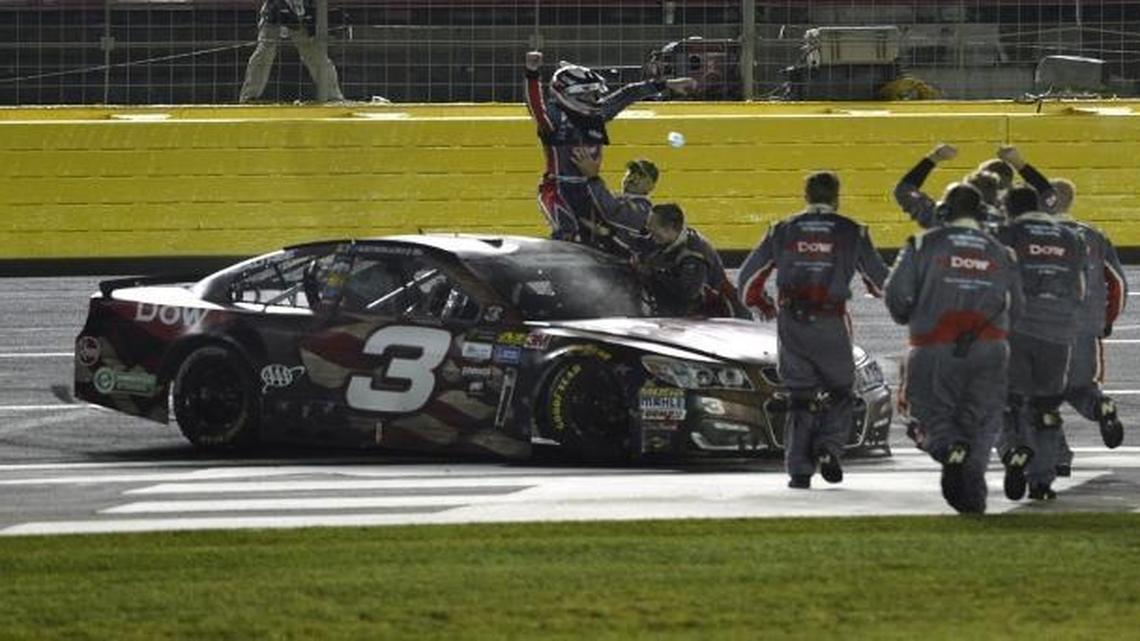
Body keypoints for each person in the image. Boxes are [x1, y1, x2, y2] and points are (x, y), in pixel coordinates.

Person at [736, 171, 889, 489]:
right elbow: (881, 282)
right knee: (841, 392)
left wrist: (761, 302)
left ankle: (799, 471)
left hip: (792, 322)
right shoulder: (853, 231)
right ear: (836, 197)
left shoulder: (781, 230)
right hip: (832, 322)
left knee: (799, 398)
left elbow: (747, 280)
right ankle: (829, 449)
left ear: (805, 197)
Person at [884, 183, 1023, 514]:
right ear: (979, 214)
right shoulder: (1002, 252)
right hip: (990, 349)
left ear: (944, 211)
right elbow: (1017, 308)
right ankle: (972, 500)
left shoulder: (922, 243)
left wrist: (908, 315)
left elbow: (896, 295)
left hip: (934, 345)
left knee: (927, 416)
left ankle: (949, 449)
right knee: (982, 421)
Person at [524, 50, 695, 244]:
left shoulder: (597, 115)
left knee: (598, 237)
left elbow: (629, 93)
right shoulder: (554, 120)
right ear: (568, 94)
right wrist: (532, 73)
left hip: (587, 186)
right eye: (588, 93)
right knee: (570, 234)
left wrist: (668, 84)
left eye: (595, 93)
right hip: (558, 188)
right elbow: (535, 107)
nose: (594, 98)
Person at [996, 180, 1086, 502]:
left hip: (1017, 330)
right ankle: (1042, 482)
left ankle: (1015, 451)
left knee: (1010, 403)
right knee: (1047, 407)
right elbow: (1080, 288)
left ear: (1008, 209)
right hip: (1058, 333)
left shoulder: (1005, 236)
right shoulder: (1071, 238)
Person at [1049, 178, 1128, 475]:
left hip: (1040, 330)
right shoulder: (1094, 236)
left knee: (1038, 397)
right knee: (1083, 387)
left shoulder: (1026, 236)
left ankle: (1057, 458)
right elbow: (1118, 284)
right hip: (1084, 329)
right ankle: (1101, 408)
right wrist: (1105, 322)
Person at [636, 203, 748, 319]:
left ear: (670, 227)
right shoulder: (667, 239)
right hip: (699, 317)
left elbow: (687, 293)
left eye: (652, 226)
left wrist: (652, 273)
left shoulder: (694, 255)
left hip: (725, 320)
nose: (648, 230)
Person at [238, 0, 345, 104]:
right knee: (264, 52)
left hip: (302, 15)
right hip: (274, 12)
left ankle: (333, 97)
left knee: (314, 54)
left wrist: (312, 16)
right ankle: (249, 97)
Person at [569, 149, 657, 257]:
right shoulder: (612, 197)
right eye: (630, 173)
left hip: (618, 267)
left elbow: (613, 213)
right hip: (591, 257)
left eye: (641, 176)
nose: (633, 178)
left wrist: (593, 177)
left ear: (651, 186)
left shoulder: (645, 211)